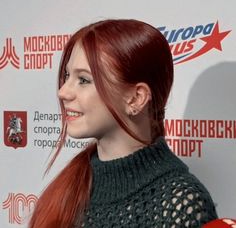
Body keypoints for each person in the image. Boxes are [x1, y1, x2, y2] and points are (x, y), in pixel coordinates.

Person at [29, 19, 218, 228]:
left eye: (84, 80)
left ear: (136, 98)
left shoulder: (181, 203)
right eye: (66, 75)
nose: (63, 91)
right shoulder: (70, 187)